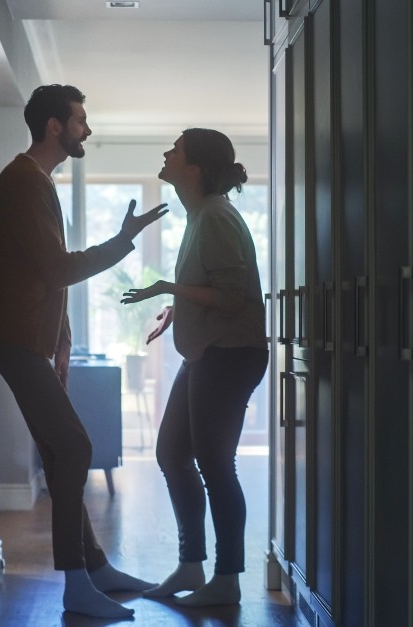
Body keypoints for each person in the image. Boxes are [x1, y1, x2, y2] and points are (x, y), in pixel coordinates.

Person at [0, 84, 167, 618]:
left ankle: (97, 568)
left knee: (63, 451)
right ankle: (77, 587)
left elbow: (46, 274)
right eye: (81, 120)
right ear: (54, 127)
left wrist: (61, 343)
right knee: (77, 448)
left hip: (27, 342)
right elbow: (59, 270)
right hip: (14, 341)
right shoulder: (23, 184)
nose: (87, 129)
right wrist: (123, 239)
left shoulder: (37, 182)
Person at [121, 128, 268, 607]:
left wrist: (168, 289)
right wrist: (179, 309)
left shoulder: (216, 217)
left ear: (195, 167)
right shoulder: (201, 215)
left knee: (213, 463)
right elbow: (214, 290)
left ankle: (226, 580)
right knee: (171, 454)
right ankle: (191, 566)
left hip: (230, 355)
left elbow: (231, 297)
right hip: (210, 352)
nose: (166, 153)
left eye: (176, 149)